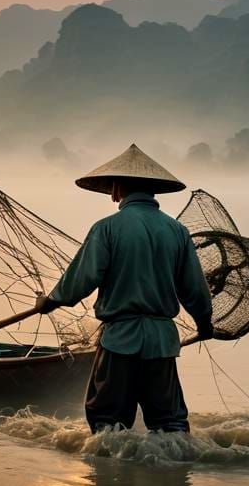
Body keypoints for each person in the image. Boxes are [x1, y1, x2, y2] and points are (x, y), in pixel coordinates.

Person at [35, 143, 213, 434]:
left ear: (118, 188)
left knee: (107, 422)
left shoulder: (107, 228)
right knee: (170, 424)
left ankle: (111, 477)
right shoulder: (177, 231)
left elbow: (80, 281)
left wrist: (50, 301)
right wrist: (204, 324)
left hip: (120, 340)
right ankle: (174, 477)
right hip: (162, 343)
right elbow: (194, 289)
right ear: (153, 190)